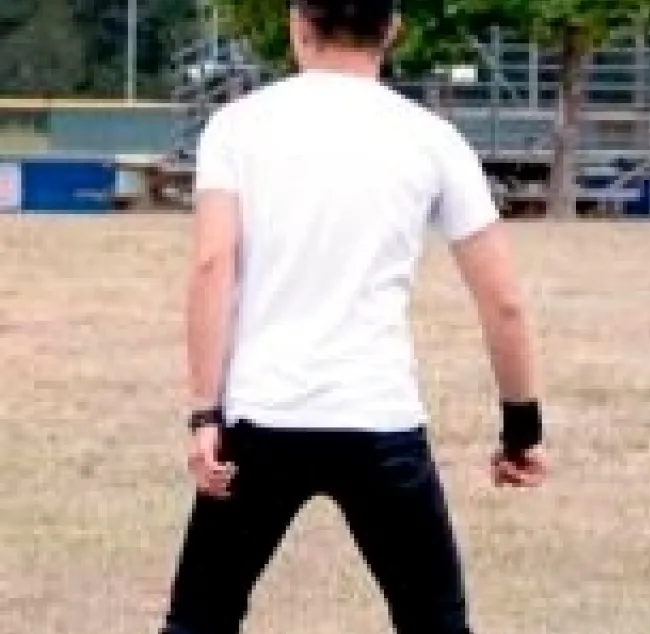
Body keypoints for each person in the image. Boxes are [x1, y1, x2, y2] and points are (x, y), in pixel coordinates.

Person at [159, 1, 548, 633]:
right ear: (392, 29)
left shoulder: (237, 127)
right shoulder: (431, 138)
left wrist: (205, 412)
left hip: (262, 417)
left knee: (200, 620)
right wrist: (520, 428)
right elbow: (503, 300)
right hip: (379, 419)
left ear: (297, 25)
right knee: (434, 622)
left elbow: (211, 264)